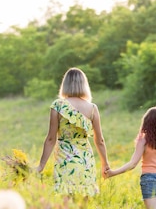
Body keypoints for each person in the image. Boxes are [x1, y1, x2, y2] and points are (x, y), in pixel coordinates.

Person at [36, 67, 110, 197]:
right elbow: (100, 141)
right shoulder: (92, 108)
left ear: (65, 85)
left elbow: (50, 139)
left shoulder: (58, 105)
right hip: (85, 161)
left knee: (67, 207)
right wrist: (105, 164)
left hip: (65, 160)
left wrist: (41, 165)